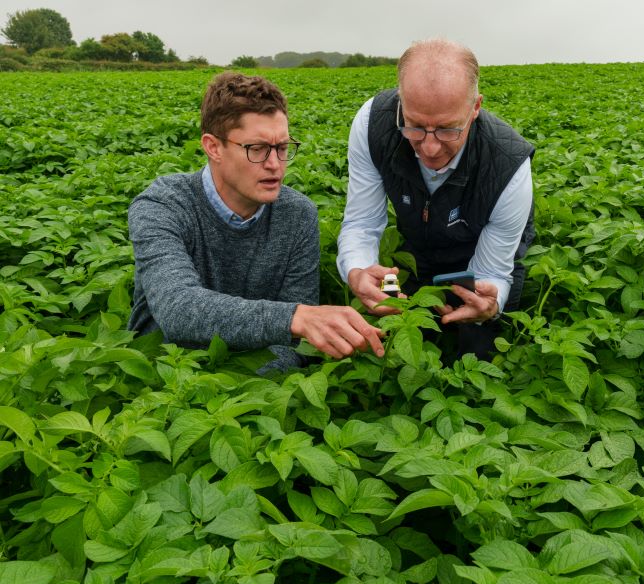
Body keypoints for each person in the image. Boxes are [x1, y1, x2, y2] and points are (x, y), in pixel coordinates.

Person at [128, 72, 383, 364]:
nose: (275, 165)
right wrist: (295, 317)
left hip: (253, 393)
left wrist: (247, 391)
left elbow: (295, 347)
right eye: (257, 149)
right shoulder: (164, 205)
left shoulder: (298, 215)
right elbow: (178, 309)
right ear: (213, 147)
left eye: (283, 148)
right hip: (158, 383)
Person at [337, 39, 535, 359]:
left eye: (447, 130)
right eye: (414, 127)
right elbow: (362, 221)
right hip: (417, 241)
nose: (429, 148)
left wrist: (490, 302)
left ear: (475, 108)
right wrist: (357, 269)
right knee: (395, 345)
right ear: (401, 104)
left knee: (477, 348)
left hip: (478, 250)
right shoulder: (373, 125)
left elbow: (493, 271)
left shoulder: (507, 166)